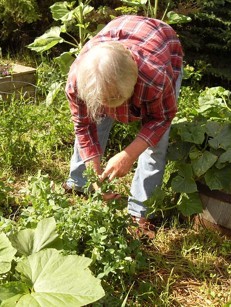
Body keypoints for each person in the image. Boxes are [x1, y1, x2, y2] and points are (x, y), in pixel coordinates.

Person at [63, 15, 184, 237]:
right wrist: (95, 173)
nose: (109, 106)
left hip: (163, 42)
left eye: (114, 99)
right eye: (102, 101)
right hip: (113, 52)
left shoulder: (154, 78)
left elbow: (162, 119)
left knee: (156, 146)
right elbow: (83, 127)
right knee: (95, 123)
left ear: (132, 85)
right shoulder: (79, 81)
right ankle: (80, 184)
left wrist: (128, 155)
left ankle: (140, 211)